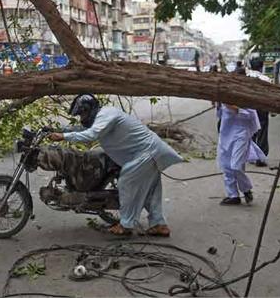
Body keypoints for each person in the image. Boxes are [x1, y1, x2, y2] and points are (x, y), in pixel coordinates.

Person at [49, 94, 184, 236]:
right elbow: (84, 129)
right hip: (152, 151)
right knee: (151, 191)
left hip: (146, 153)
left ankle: (126, 225)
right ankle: (159, 225)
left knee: (126, 184)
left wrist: (63, 137)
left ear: (90, 109)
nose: (82, 118)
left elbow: (91, 135)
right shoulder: (103, 116)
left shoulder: (106, 115)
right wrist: (60, 131)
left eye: (82, 114)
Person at [217, 103, 266, 205]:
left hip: (241, 134)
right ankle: (233, 195)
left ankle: (246, 189)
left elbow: (251, 115)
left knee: (236, 165)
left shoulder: (243, 98)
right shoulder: (223, 99)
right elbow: (219, 114)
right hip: (225, 134)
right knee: (226, 166)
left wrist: (235, 108)